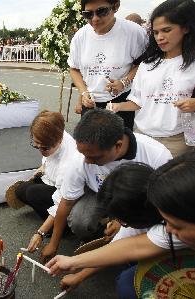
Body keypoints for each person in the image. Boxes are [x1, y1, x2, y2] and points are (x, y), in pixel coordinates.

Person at [46, 151, 195, 299]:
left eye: (177, 226)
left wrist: (74, 263)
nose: (168, 229)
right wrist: (75, 267)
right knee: (127, 280)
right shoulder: (165, 211)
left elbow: (137, 246)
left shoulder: (169, 215)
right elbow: (130, 247)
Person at [40, 109, 172, 261]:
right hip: (97, 192)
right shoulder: (81, 157)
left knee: (138, 234)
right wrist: (53, 244)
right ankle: (100, 236)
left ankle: (124, 243)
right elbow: (66, 201)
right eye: (83, 154)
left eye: (93, 157)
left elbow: (161, 205)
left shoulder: (157, 155)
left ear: (118, 145)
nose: (87, 161)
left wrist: (123, 223)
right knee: (79, 221)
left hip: (138, 201)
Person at [58, 163, 163, 293]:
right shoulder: (148, 202)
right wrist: (79, 275)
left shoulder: (174, 227)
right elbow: (115, 250)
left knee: (127, 285)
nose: (120, 224)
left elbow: (134, 247)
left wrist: (74, 262)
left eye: (123, 221)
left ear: (142, 215)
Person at [109, 0, 195, 157]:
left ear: (186, 28)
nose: (160, 37)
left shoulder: (192, 65)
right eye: (156, 32)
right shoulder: (147, 64)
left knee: (170, 182)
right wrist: (119, 106)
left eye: (166, 30)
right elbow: (138, 101)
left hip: (177, 142)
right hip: (142, 137)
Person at [69, 0, 147, 130]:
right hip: (90, 102)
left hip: (121, 100)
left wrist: (124, 82)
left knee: (119, 146)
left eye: (101, 11)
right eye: (88, 14)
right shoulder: (80, 37)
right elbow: (74, 69)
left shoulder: (134, 32)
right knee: (90, 146)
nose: (95, 19)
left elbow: (143, 64)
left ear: (116, 6)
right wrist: (83, 93)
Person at [11, 111, 78, 251]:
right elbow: (47, 158)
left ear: (59, 140)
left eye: (45, 148)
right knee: (21, 190)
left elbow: (62, 203)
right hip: (52, 180)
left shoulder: (69, 163)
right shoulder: (55, 130)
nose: (40, 151)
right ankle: (48, 217)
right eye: (36, 146)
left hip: (68, 197)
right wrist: (42, 167)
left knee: (32, 192)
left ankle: (62, 228)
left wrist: (40, 232)